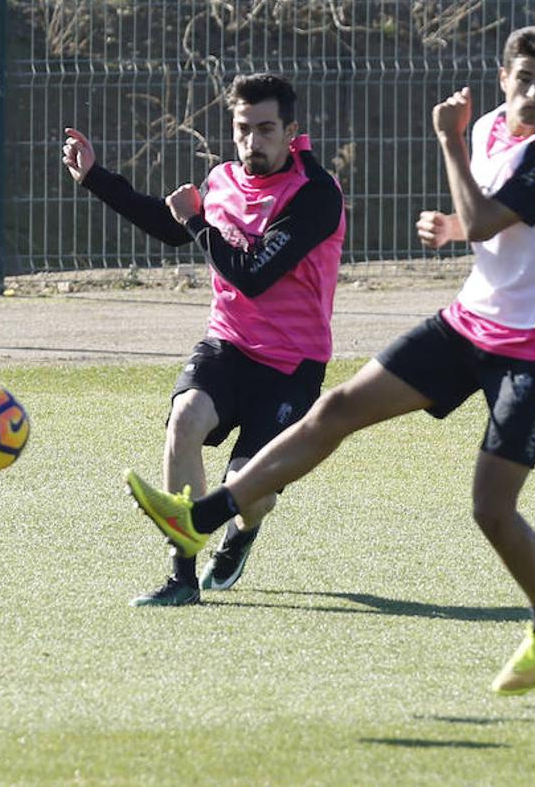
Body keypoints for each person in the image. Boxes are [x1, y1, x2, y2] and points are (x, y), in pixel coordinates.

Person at [124, 26, 535, 694]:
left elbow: (488, 220)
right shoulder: (489, 126)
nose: (533, 94)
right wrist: (454, 223)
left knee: (491, 509)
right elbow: (495, 219)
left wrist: (448, 146)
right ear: (503, 78)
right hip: (469, 322)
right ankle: (200, 519)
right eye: (523, 78)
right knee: (337, 409)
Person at [63, 73, 346, 606]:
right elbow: (171, 224)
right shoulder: (223, 180)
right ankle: (182, 578)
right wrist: (96, 178)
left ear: (291, 132)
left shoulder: (316, 194)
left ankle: (241, 531)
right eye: (243, 129)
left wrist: (197, 223)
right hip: (228, 344)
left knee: (250, 492)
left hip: (292, 366)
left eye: (266, 130)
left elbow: (253, 274)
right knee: (184, 419)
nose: (252, 141)